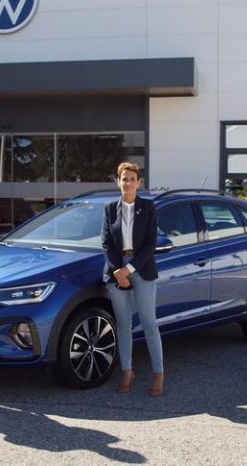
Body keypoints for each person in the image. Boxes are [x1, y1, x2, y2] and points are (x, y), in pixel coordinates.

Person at [101, 162, 164, 397]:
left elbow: (150, 244)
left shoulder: (148, 208)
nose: (127, 183)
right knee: (123, 324)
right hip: (116, 272)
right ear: (118, 182)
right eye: (123, 179)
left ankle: (159, 373)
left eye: (131, 179)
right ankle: (127, 371)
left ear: (139, 183)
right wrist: (119, 271)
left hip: (142, 269)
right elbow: (106, 243)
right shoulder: (109, 208)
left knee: (149, 322)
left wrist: (129, 269)